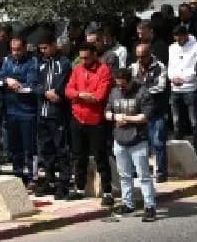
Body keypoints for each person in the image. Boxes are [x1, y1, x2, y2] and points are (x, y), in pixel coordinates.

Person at [64, 44, 114, 206]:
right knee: (79, 156)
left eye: (86, 57)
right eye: (81, 57)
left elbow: (99, 96)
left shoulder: (103, 70)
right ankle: (79, 188)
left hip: (96, 120)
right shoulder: (77, 69)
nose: (83, 60)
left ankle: (107, 191)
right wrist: (80, 94)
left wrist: (79, 96)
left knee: (100, 156)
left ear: (94, 55)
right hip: (77, 118)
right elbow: (68, 90)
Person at [106, 68, 157, 222]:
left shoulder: (142, 92)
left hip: (138, 140)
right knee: (124, 175)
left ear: (130, 81)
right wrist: (115, 116)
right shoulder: (114, 92)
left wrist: (126, 118)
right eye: (118, 85)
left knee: (144, 176)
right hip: (120, 140)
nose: (120, 88)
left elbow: (145, 116)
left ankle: (150, 206)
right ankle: (128, 204)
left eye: (123, 85)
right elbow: (107, 112)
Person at [34, 30, 72, 199]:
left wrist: (57, 93)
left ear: (54, 45)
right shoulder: (40, 63)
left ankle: (63, 184)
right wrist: (44, 92)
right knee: (45, 149)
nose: (43, 51)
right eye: (41, 48)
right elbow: (34, 83)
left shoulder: (63, 63)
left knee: (61, 149)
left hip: (57, 113)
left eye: (46, 47)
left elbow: (65, 84)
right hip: (42, 112)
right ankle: (49, 180)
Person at [0, 35, 38, 184]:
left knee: (30, 147)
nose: (15, 52)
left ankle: (33, 177)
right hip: (10, 109)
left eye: (18, 49)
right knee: (14, 146)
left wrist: (18, 86)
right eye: (13, 49)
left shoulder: (32, 61)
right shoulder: (7, 60)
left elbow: (31, 85)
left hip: (27, 110)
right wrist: (7, 80)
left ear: (25, 47)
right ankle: (17, 173)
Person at [131, 41, 169, 182]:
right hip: (140, 112)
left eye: (143, 56)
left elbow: (160, 87)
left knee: (158, 142)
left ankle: (161, 172)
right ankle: (139, 170)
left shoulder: (159, 67)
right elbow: (130, 85)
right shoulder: (134, 67)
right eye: (138, 57)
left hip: (156, 110)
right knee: (138, 143)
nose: (140, 60)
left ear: (149, 54)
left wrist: (142, 91)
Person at [167, 25, 197, 153]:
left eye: (180, 37)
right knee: (176, 122)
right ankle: (179, 151)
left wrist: (184, 79)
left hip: (191, 88)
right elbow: (170, 66)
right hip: (175, 89)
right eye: (176, 38)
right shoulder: (172, 47)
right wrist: (172, 78)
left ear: (186, 35)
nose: (178, 40)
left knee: (194, 121)